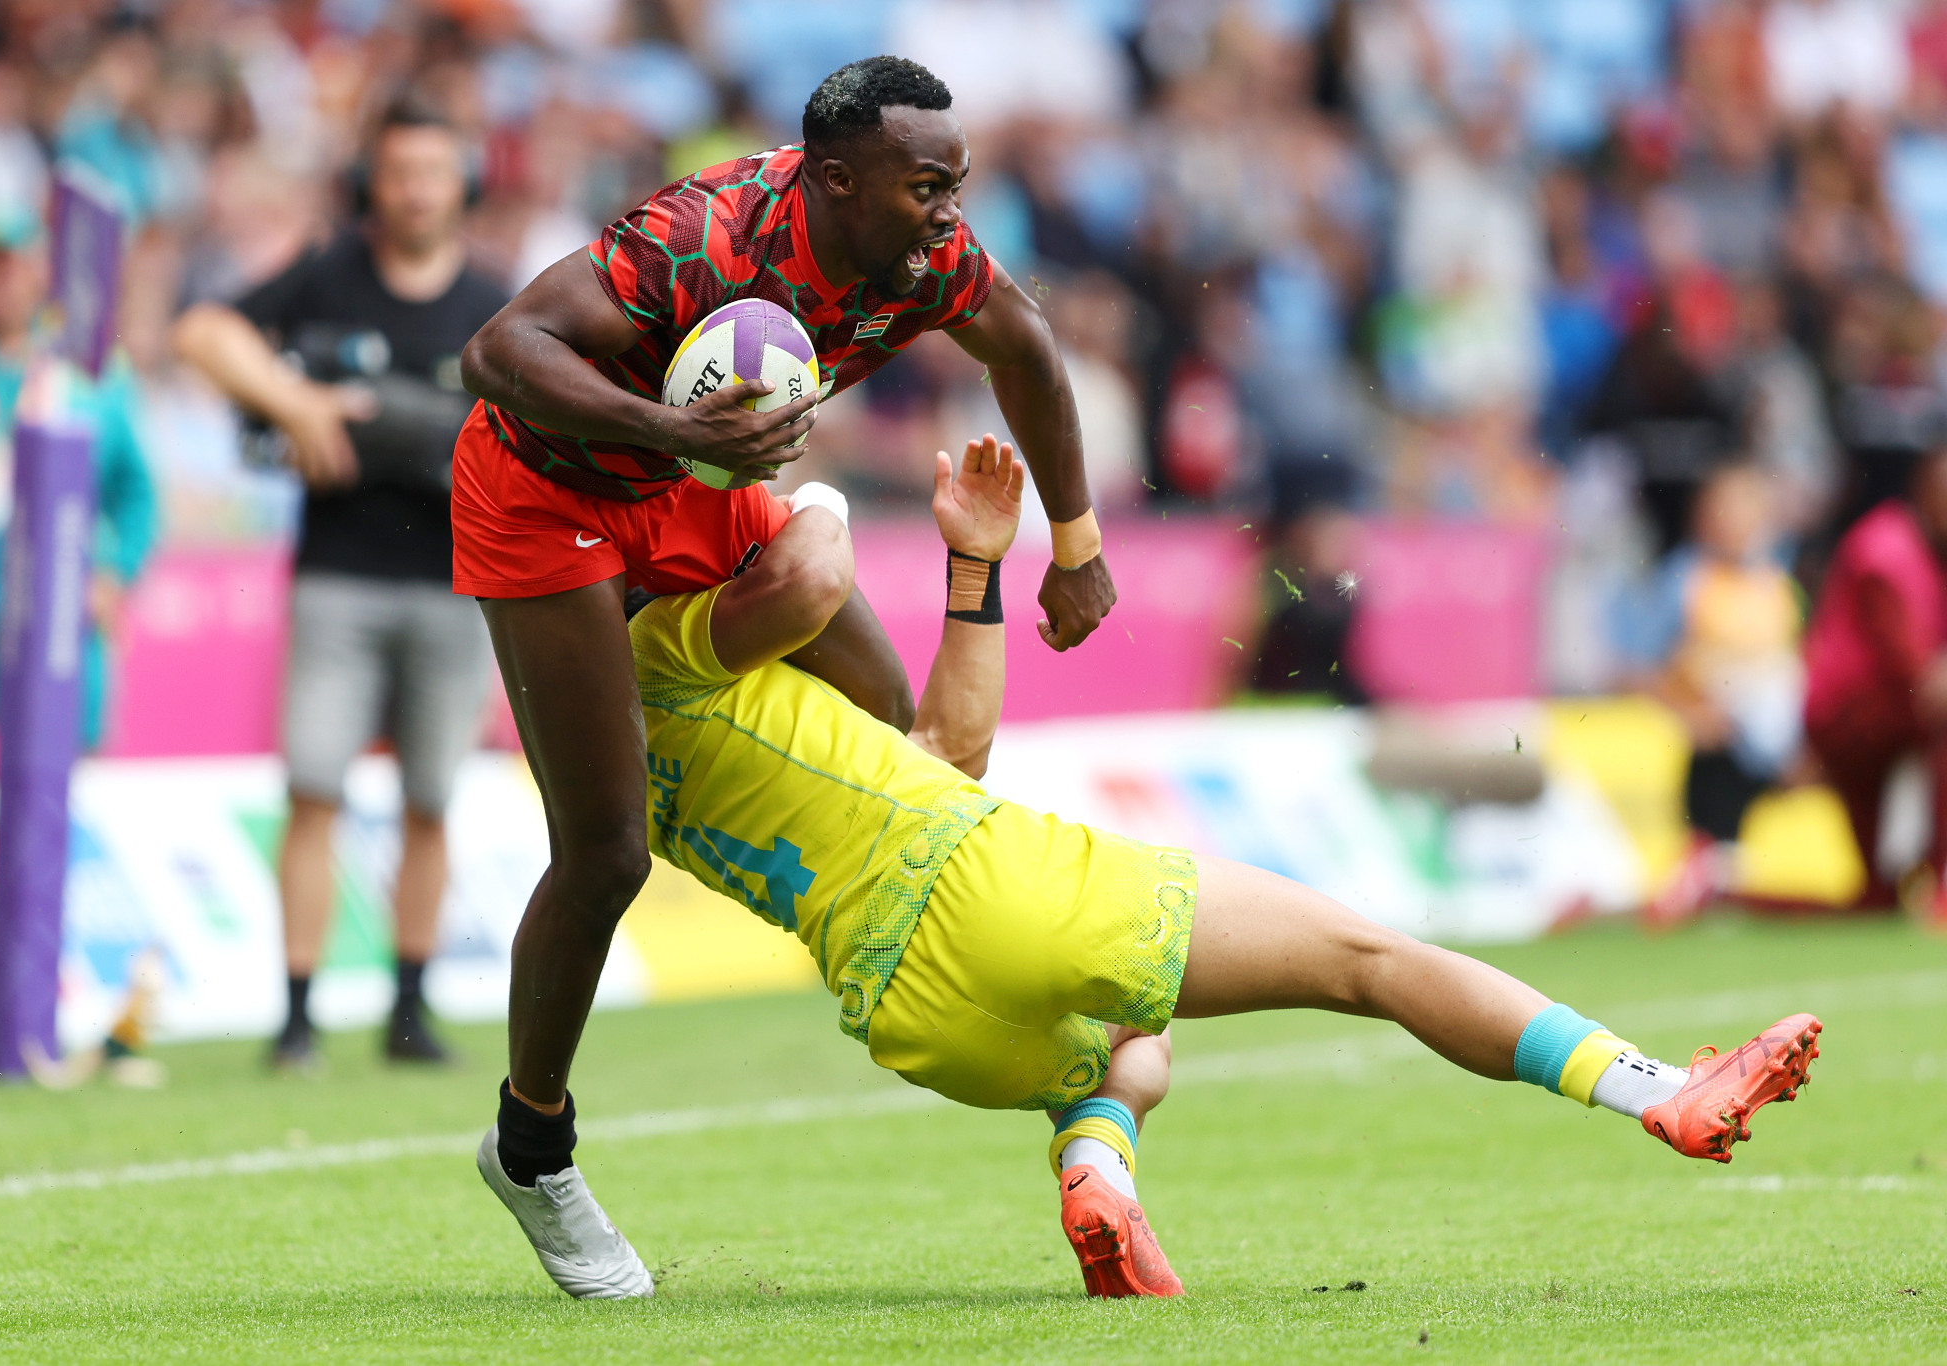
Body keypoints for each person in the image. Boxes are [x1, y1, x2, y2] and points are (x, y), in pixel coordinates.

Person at [474, 434, 1825, 1301]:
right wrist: (795, 472)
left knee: (1137, 1049)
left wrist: (968, 568)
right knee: (1373, 961)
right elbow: (814, 568)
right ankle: (1662, 1088)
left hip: (904, 1009)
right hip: (981, 879)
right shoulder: (663, 656)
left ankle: (1101, 1180)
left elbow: (943, 744)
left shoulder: (609, 762)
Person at [453, 58, 1119, 1173]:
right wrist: (682, 437)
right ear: (837, 181)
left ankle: (709, 725)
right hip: (542, 490)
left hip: (692, 482)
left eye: (956, 183)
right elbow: (496, 352)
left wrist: (1078, 539)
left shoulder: (928, 256)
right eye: (925, 187)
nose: (950, 213)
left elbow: (1029, 350)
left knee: (886, 708)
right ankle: (532, 1141)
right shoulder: (703, 236)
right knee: (608, 855)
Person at [171, 99, 511, 1068]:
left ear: (463, 186)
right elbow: (202, 332)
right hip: (336, 576)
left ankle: (410, 1008)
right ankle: (296, 1013)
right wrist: (296, 400)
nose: (413, 192)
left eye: (432, 174)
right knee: (314, 789)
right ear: (372, 185)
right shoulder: (328, 273)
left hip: (457, 580)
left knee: (431, 799)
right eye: (397, 174)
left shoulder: (494, 299)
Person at [0, 201, 156, 756]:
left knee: (60, 784)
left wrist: (115, 576)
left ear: (41, 270)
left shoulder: (91, 369)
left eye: (10, 264)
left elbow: (135, 489)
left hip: (61, 616)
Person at [1617, 463, 1805, 924]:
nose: (1733, 523)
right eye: (1722, 511)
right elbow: (1636, 666)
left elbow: (1788, 666)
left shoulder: (1776, 582)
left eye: (1744, 512)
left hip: (1770, 752)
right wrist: (1690, 713)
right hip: (1715, 753)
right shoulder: (1685, 579)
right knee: (1716, 871)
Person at [1802, 446, 1947, 919]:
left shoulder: (1919, 545)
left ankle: (1720, 891)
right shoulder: (1887, 551)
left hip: (1879, 715)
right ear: (1924, 489)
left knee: (1875, 901)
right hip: (1855, 716)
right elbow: (1923, 677)